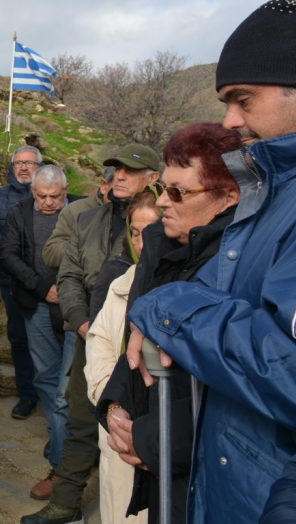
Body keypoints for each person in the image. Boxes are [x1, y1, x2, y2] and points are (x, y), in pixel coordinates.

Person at [126, 0, 296, 522]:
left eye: (244, 98)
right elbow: (218, 288)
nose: (231, 120)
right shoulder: (278, 191)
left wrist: (166, 308)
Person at [97, 123, 241, 524]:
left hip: (196, 468)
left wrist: (154, 439)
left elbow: (230, 392)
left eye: (178, 192)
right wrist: (115, 407)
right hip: (151, 453)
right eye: (165, 187)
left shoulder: (239, 266)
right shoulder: (160, 248)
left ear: (228, 196)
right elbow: (132, 347)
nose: (162, 202)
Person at [23, 144, 160, 524]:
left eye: (130, 171)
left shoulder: (161, 222)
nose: (120, 176)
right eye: (115, 169)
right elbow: (67, 276)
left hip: (138, 338)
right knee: (80, 415)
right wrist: (82, 322)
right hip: (90, 333)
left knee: (135, 423)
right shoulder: (87, 219)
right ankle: (65, 501)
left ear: (153, 178)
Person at [0, 165, 81, 500]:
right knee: (46, 378)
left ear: (66, 190)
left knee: (67, 390)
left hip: (75, 311)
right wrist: (41, 287)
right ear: (32, 191)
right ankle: (60, 434)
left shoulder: (80, 211)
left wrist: (68, 290)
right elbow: (9, 255)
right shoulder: (19, 213)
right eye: (42, 196)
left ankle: (63, 464)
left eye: (55, 196)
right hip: (38, 307)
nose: (48, 202)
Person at [84, 189, 160, 524]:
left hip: (157, 438)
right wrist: (113, 407)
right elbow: (98, 347)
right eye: (135, 232)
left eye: (152, 232)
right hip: (116, 430)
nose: (142, 243)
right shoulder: (121, 285)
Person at [0, 145, 42, 420]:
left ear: (38, 167)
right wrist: (9, 253)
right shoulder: (2, 197)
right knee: (19, 337)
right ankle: (27, 395)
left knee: (46, 337)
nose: (23, 167)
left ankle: (48, 391)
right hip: (12, 279)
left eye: (29, 162)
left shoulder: (49, 195)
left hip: (46, 280)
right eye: (18, 162)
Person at [42, 166, 115, 269]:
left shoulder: (140, 214)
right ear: (104, 185)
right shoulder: (76, 210)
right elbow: (51, 254)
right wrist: (87, 245)